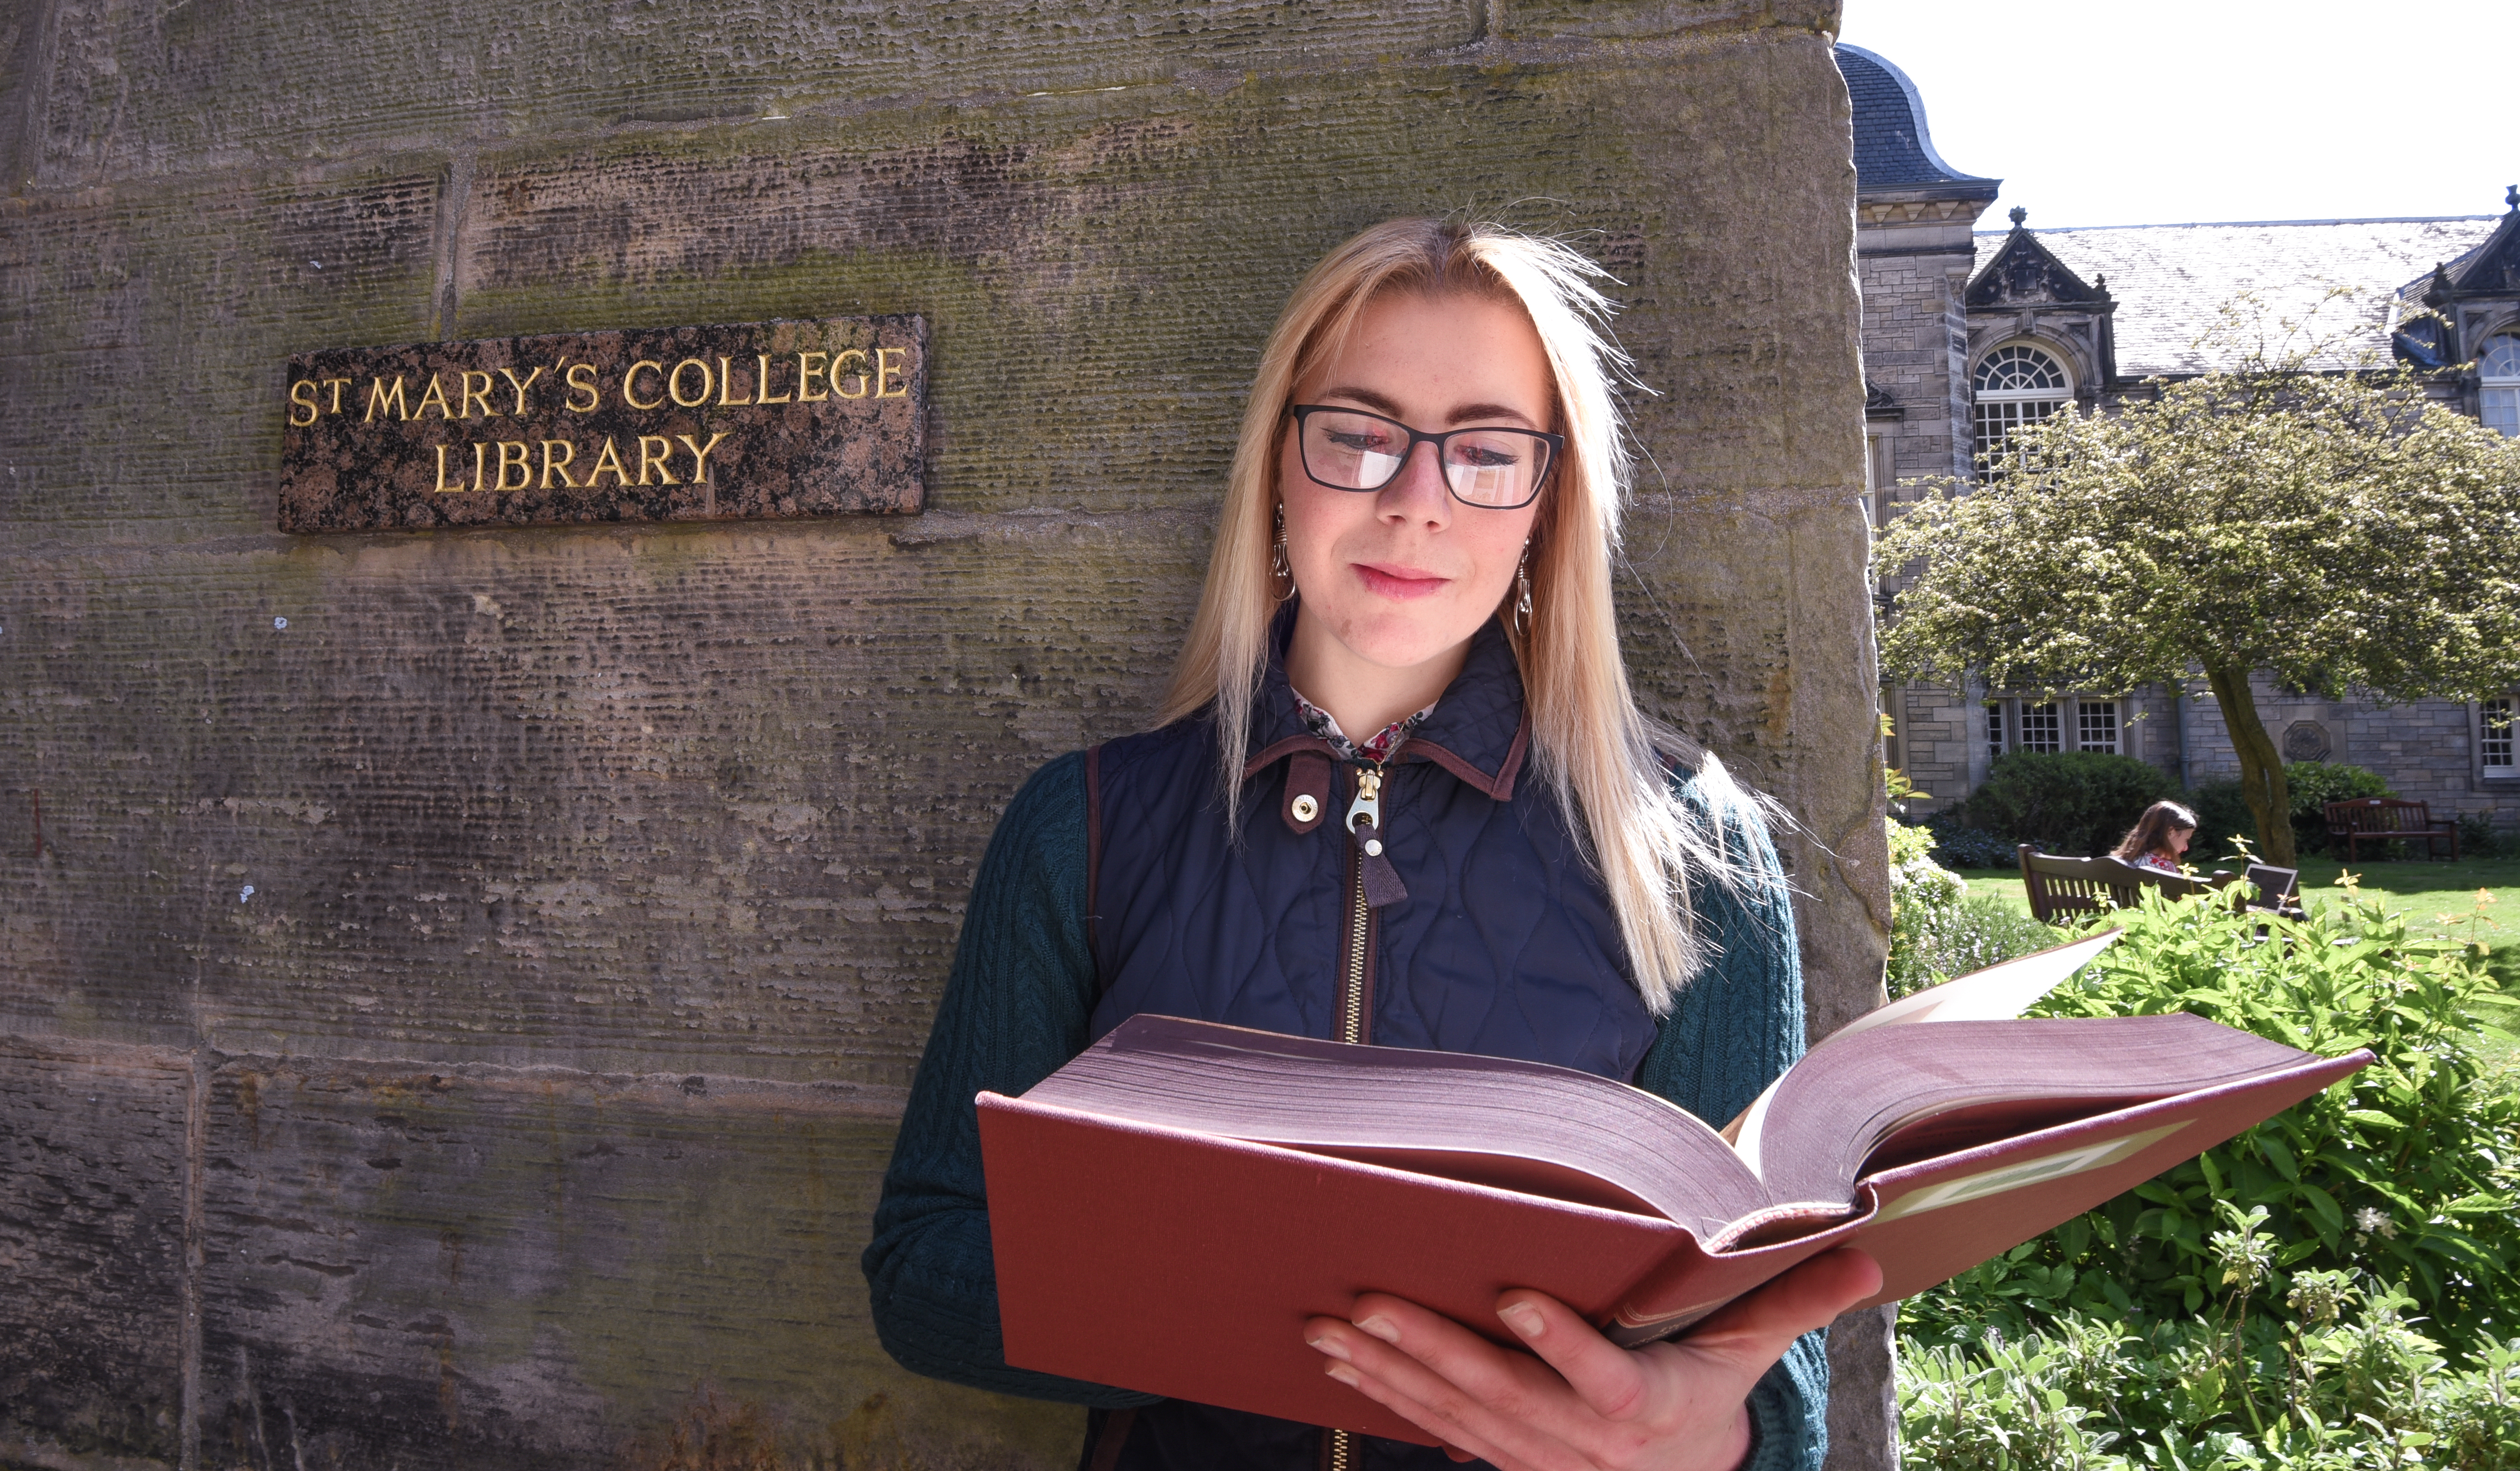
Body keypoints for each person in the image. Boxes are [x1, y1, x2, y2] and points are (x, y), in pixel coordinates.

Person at [861, 218, 1878, 1471]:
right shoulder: (1078, 828)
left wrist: (1711, 1434)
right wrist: (1283, 1304)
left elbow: (1774, 1381)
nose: (1416, 500)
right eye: (1358, 434)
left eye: (1487, 452)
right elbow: (924, 1265)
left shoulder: (1691, 851)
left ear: (1547, 502)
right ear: (1277, 467)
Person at [2112, 800, 2200, 874]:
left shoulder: (2118, 863)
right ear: (2171, 832)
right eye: (2186, 840)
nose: (2186, 848)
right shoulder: (2165, 869)